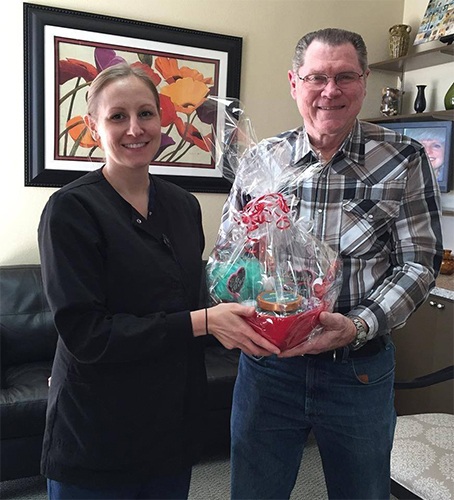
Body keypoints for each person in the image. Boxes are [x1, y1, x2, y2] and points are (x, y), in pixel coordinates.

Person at [218, 28, 444, 499]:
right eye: (317, 77)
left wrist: (357, 325)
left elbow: (419, 264)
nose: (330, 90)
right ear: (294, 82)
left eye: (344, 76)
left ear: (363, 81)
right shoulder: (263, 160)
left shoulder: (403, 159)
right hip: (268, 369)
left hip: (357, 370)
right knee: (254, 491)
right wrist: (243, 268)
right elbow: (228, 256)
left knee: (362, 492)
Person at [38, 63, 279, 500]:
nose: (135, 128)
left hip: (170, 422)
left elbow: (190, 296)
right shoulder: (71, 210)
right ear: (93, 126)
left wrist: (255, 280)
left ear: (162, 119)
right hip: (98, 430)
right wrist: (203, 322)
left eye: (146, 113)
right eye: (117, 116)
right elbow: (86, 335)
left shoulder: (183, 205)